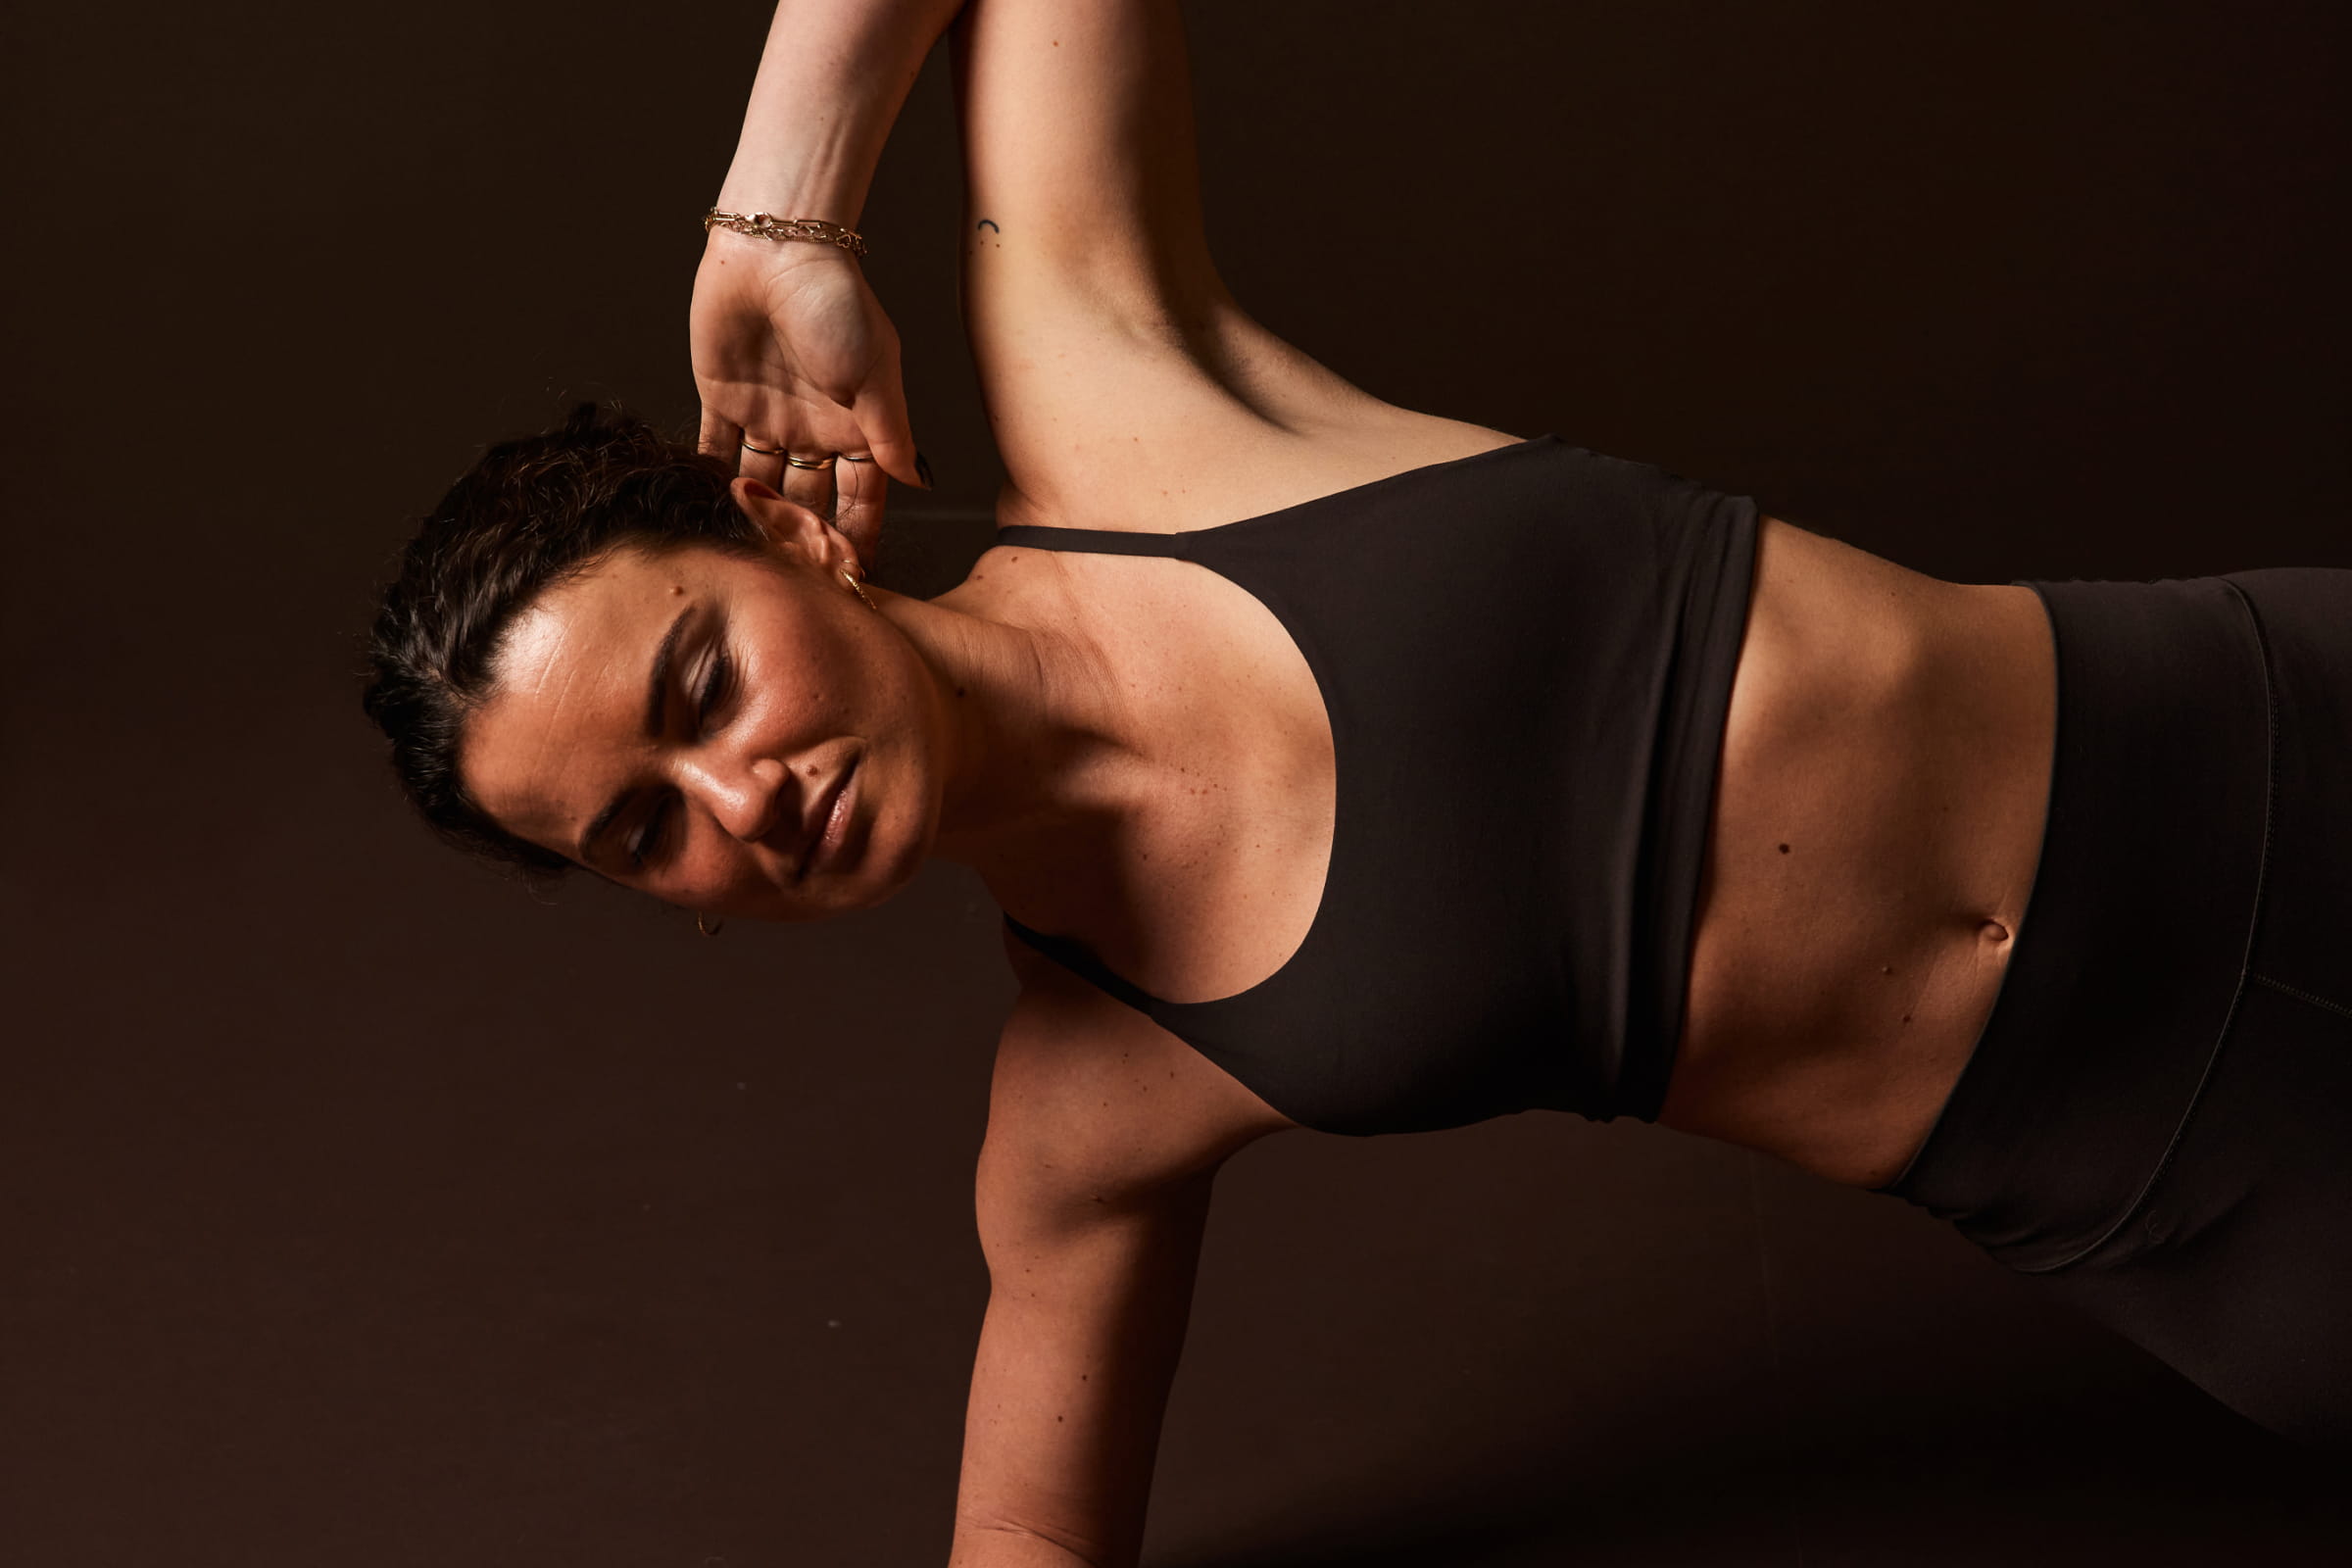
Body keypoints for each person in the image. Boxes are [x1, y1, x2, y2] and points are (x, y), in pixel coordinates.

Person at [365, 0, 2352, 1557]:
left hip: (2278, 731)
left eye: (701, 682)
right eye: (646, 829)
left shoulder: (1120, 394)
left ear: (787, 532)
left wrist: (776, 215)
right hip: (2220, 1208)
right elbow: (1031, 1532)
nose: (739, 798)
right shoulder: (1092, 1102)